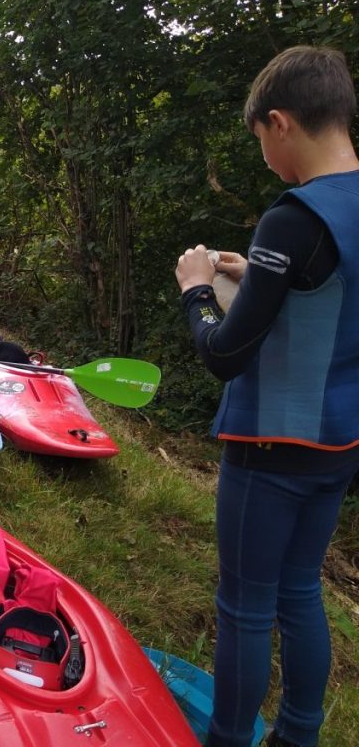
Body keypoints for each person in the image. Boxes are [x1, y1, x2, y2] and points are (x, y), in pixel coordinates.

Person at [175, 45, 359, 747]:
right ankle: (299, 735)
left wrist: (197, 287)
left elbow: (223, 355)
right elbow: (330, 296)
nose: (265, 157)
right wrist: (259, 273)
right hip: (340, 443)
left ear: (279, 121)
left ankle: (226, 739)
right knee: (301, 591)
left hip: (270, 447)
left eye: (259, 140)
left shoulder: (294, 215)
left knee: (247, 607)